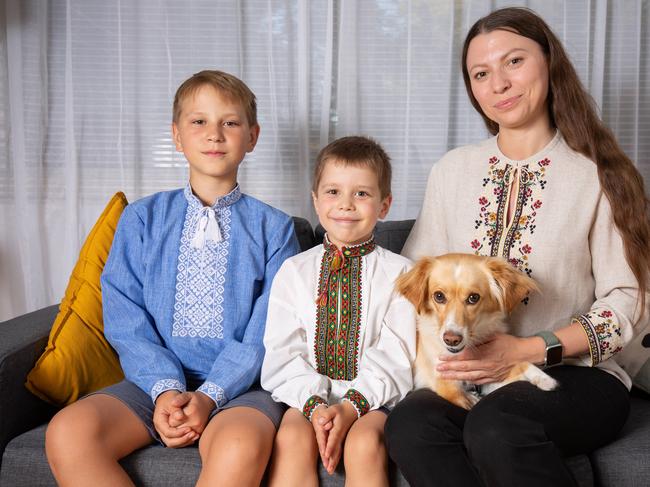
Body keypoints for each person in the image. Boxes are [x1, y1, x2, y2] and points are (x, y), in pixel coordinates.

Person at [385, 7, 650, 487]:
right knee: (410, 424)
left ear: (549, 63)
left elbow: (628, 303)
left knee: (497, 425)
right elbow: (416, 287)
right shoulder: (452, 171)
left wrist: (526, 349)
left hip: (577, 375)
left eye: (514, 62)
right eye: (481, 73)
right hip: (470, 370)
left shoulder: (598, 175)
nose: (499, 84)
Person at [45, 70, 301, 487]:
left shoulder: (275, 228)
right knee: (69, 432)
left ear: (252, 137)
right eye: (198, 121)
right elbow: (125, 316)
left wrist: (209, 395)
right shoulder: (142, 218)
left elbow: (269, 330)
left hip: (243, 390)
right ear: (177, 136)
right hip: (151, 386)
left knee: (238, 445)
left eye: (230, 123)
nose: (214, 134)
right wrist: (165, 391)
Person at [261, 136, 416, 487]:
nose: (346, 204)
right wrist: (316, 406)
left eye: (361, 193)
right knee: (292, 438)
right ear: (316, 201)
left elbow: (398, 354)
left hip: (376, 399)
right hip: (307, 398)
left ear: (384, 204)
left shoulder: (402, 274)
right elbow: (283, 353)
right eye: (333, 192)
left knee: (364, 443)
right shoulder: (294, 270)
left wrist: (349, 407)